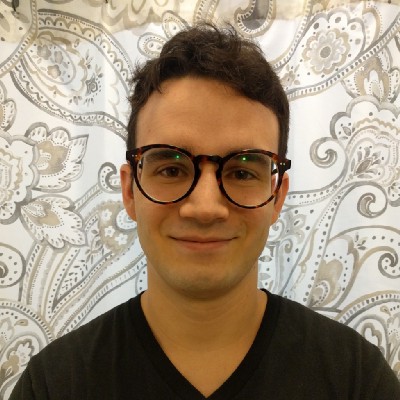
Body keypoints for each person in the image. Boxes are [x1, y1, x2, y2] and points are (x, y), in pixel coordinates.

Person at [10, 24, 400, 400]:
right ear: (129, 191)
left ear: (277, 196)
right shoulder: (55, 383)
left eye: (242, 171)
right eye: (171, 168)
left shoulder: (356, 378)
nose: (205, 207)